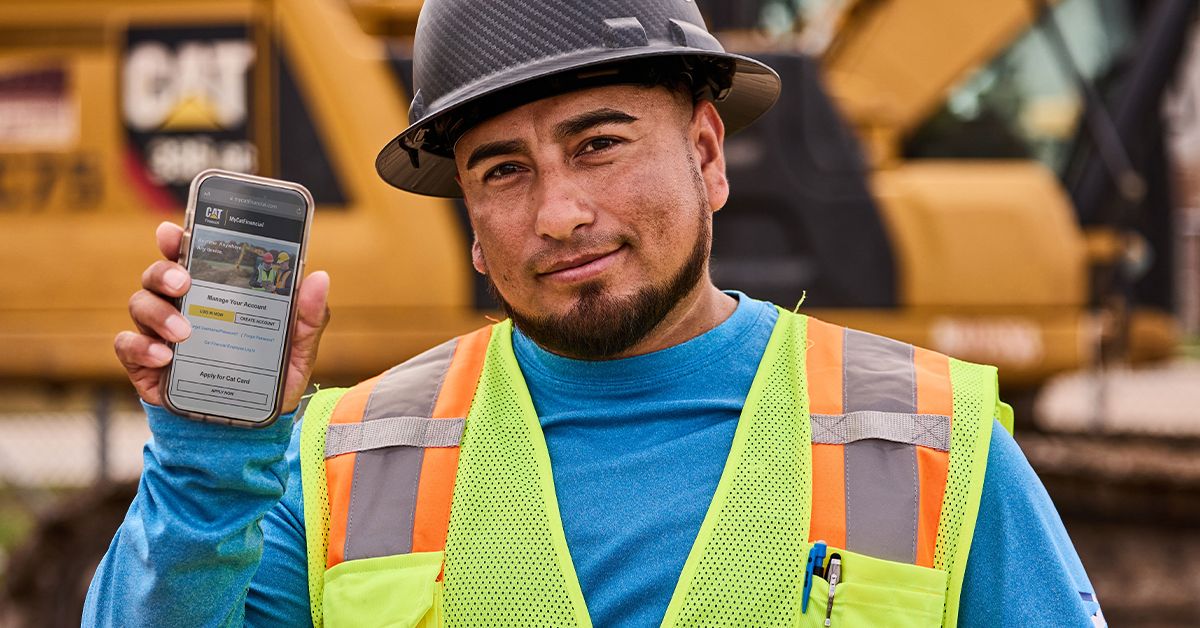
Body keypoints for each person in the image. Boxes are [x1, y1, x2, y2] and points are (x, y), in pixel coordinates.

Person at [86, 0, 1105, 626]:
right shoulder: (345, 463)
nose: (561, 212)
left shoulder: (930, 442)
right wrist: (207, 467)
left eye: (599, 144)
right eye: (503, 169)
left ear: (707, 153)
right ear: (472, 230)